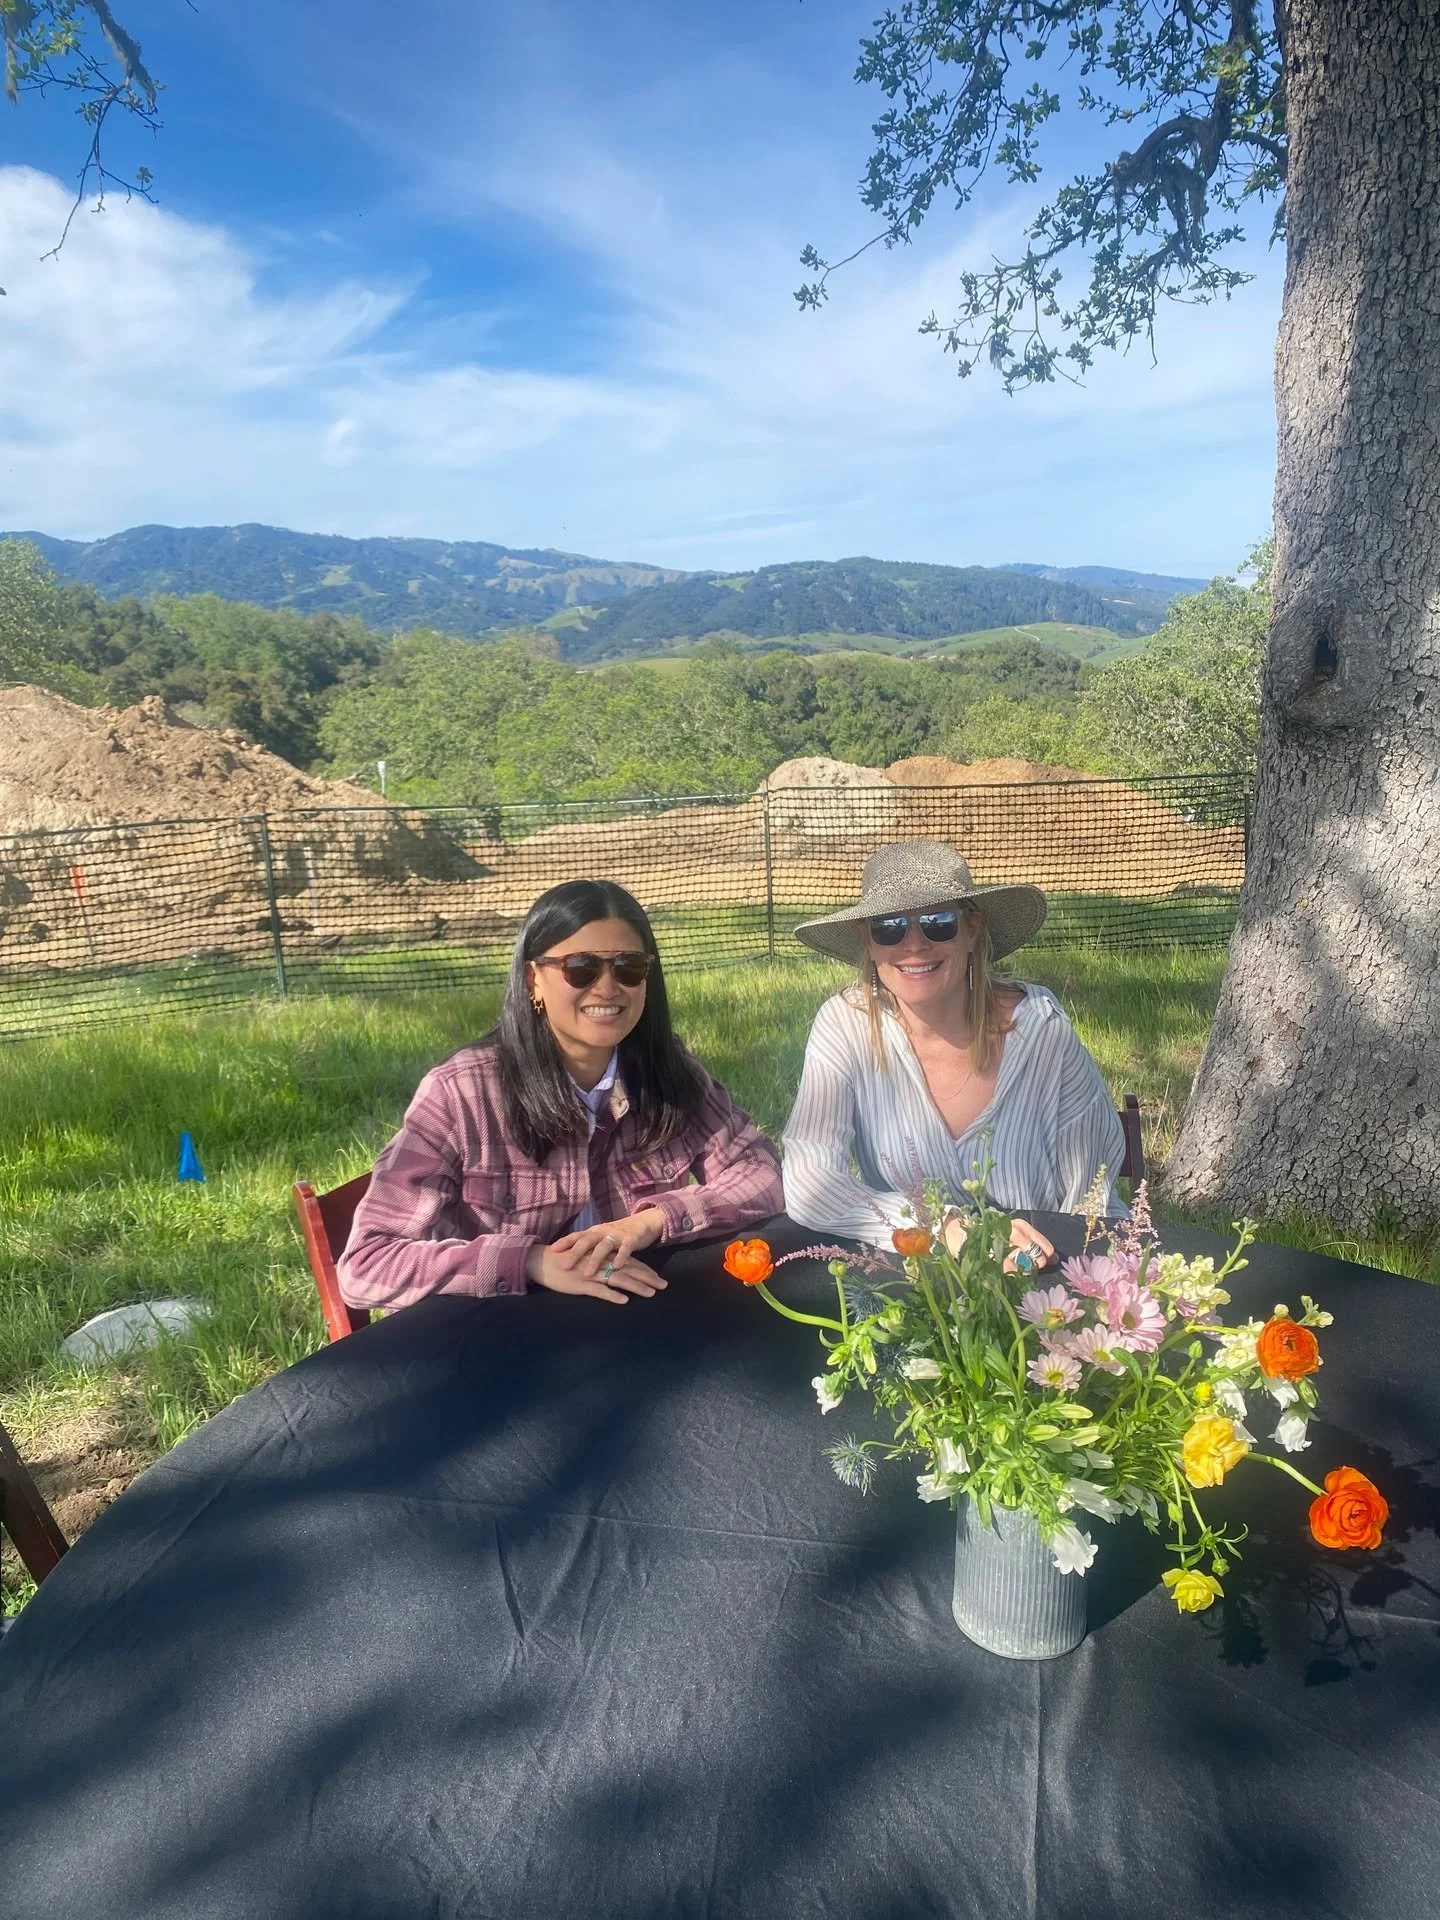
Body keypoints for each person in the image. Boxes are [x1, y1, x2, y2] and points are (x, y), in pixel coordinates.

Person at [339, 879, 783, 1313]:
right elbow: (366, 1265)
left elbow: (762, 1173)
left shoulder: (665, 1073)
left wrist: (651, 1222)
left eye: (628, 967)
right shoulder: (462, 1093)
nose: (607, 987)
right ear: (533, 979)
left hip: (633, 1318)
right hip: (507, 1335)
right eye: (581, 967)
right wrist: (531, 1262)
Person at [781, 840, 1125, 1260]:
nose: (914, 945)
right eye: (888, 927)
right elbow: (808, 1182)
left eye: (937, 921)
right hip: (921, 1279)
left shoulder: (1040, 1030)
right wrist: (940, 1227)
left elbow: (1091, 1195)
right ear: (868, 944)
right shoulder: (846, 1026)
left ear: (971, 931)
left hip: (1050, 1270)